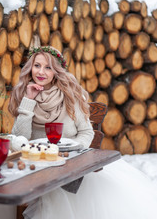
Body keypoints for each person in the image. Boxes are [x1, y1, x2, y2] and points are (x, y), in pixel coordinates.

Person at [9, 46, 157, 219]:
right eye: (37, 65)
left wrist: (70, 154)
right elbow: (20, 137)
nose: (41, 72)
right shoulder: (24, 93)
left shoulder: (70, 96)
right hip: (38, 167)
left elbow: (86, 132)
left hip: (71, 165)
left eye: (48, 67)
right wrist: (28, 100)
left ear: (57, 71)